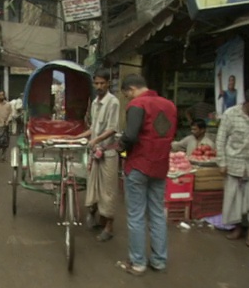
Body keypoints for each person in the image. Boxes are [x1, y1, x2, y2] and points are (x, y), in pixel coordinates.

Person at [115, 74, 177, 276]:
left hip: (139, 165)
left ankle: (137, 262)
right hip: (160, 166)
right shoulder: (169, 105)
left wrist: (121, 147)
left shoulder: (138, 104)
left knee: (136, 216)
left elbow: (131, 135)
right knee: (157, 214)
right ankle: (159, 261)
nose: (128, 99)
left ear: (131, 89)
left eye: (127, 94)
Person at [216, 86, 249, 246]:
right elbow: (221, 140)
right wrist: (222, 163)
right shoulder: (230, 114)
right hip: (234, 163)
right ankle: (237, 227)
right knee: (234, 199)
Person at [72, 69, 120, 242]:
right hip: (95, 152)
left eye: (102, 83)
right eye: (97, 83)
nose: (99, 86)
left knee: (108, 190)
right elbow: (94, 128)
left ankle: (109, 226)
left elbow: (113, 128)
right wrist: (78, 137)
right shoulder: (94, 103)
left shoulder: (113, 102)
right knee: (93, 187)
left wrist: (96, 140)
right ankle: (95, 215)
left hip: (108, 153)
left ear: (108, 83)